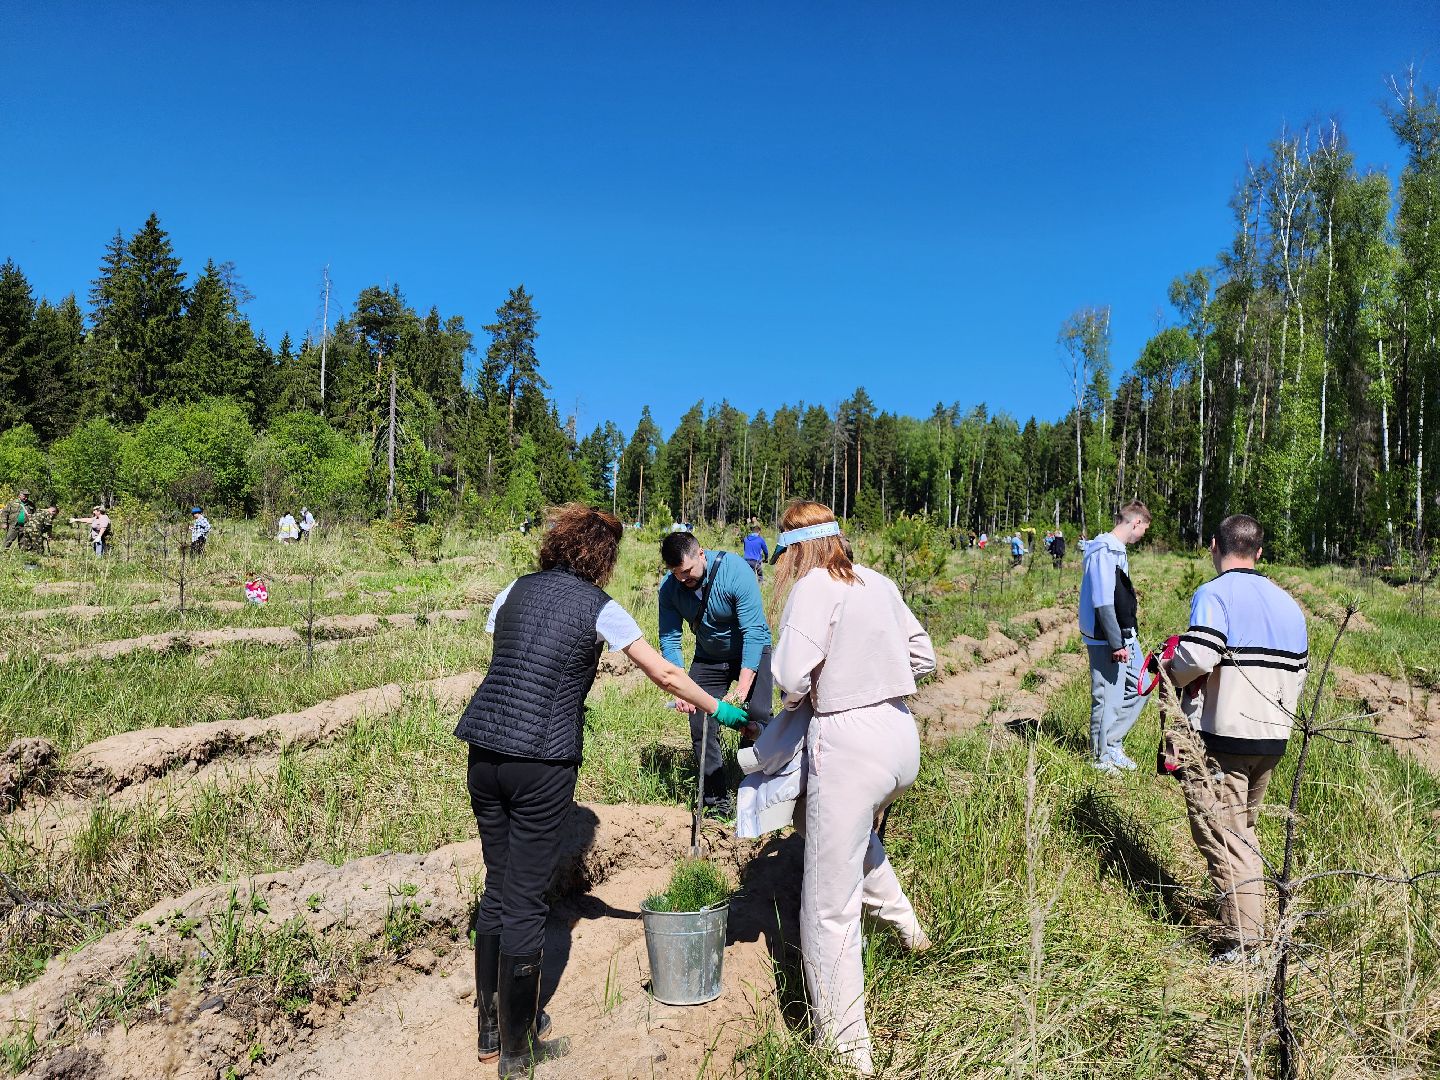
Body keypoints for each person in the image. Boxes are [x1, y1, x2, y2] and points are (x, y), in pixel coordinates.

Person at [453, 504, 748, 1077]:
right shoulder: (601, 607)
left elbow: (507, 648)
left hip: (484, 748)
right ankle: (517, 1055)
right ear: (601, 558)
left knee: (497, 882)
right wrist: (723, 709)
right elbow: (662, 672)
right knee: (525, 898)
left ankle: (491, 1030)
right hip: (541, 758)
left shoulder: (514, 589)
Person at [769, 500, 936, 1074]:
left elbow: (790, 676)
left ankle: (845, 1049)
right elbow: (924, 655)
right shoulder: (879, 581)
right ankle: (909, 931)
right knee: (853, 838)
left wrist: (805, 698)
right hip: (899, 734)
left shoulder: (814, 587)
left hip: (847, 739)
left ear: (798, 547)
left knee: (826, 906)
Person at [1164, 515, 1307, 963]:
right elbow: (1300, 670)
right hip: (1272, 738)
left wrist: (1170, 670)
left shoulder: (1214, 593)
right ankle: (1256, 918)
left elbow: (1199, 654)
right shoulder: (1288, 602)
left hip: (1225, 736)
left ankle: (1246, 946)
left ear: (1214, 547)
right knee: (1244, 831)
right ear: (1259, 552)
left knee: (1224, 836)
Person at [658, 529, 773, 818]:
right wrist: (681, 688)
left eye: (687, 571)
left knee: (756, 716)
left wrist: (742, 689)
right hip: (709, 657)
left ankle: (757, 791)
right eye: (676, 574)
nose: (683, 579)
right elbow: (670, 638)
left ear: (701, 554)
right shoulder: (669, 588)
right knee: (701, 723)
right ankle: (715, 802)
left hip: (752, 650)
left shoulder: (735, 571)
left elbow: (753, 631)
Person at [1078, 501, 1152, 774]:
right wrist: (1115, 642)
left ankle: (1112, 743)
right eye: (1144, 528)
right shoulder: (1104, 551)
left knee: (1141, 684)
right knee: (1107, 696)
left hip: (1125, 635)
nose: (1143, 534)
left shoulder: (1117, 550)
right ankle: (1099, 757)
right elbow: (1103, 602)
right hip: (1107, 638)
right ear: (1135, 523)